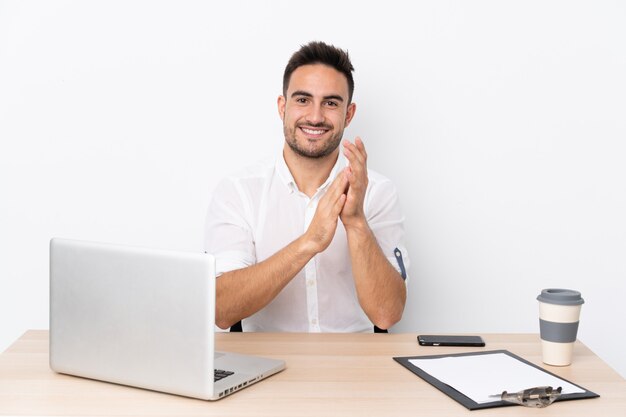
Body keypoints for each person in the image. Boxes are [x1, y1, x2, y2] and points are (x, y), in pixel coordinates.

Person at [204, 41, 409, 333]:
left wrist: (356, 223)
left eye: (330, 103)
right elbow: (221, 310)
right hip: (265, 366)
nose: (315, 116)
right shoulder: (238, 191)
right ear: (282, 107)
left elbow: (387, 314)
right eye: (302, 100)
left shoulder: (378, 192)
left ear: (348, 114)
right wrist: (309, 242)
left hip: (355, 368)